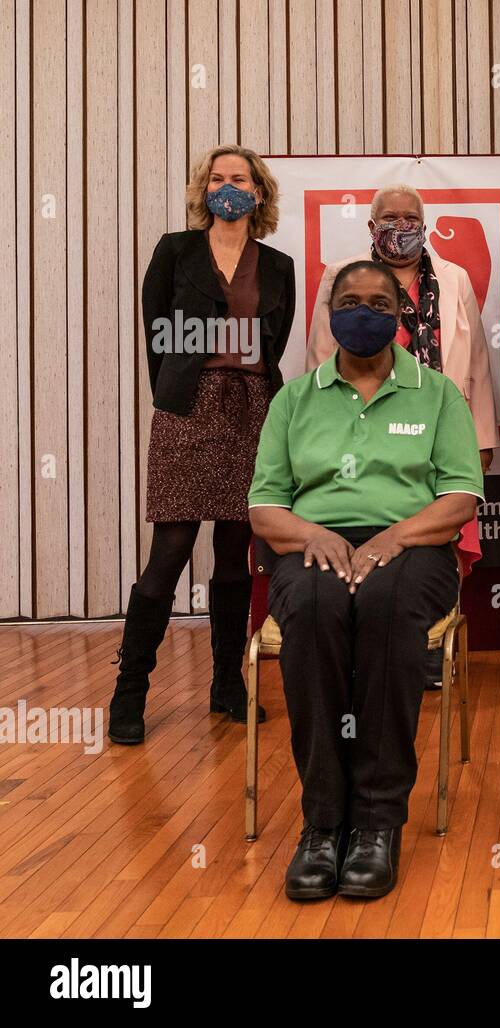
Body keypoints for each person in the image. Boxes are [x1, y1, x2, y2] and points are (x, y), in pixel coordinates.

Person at [248, 261, 484, 900]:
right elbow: (266, 508)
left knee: (385, 606)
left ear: (400, 313)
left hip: (412, 547)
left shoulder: (437, 393)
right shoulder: (294, 399)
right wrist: (314, 536)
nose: (363, 311)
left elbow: (460, 497)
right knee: (318, 608)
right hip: (312, 546)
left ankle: (377, 823)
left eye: (379, 302)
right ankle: (323, 824)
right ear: (328, 312)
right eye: (349, 300)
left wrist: (393, 538)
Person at [108, 144, 296, 746]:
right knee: (170, 550)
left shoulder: (279, 264)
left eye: (238, 179)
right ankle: (128, 694)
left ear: (258, 192)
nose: (226, 187)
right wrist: (176, 395)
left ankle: (226, 685)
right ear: (204, 190)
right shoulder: (174, 250)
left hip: (252, 409)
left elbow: (274, 344)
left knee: (237, 548)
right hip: (188, 409)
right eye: (217, 179)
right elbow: (156, 334)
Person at [304, 183, 497, 685]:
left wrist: (480, 437)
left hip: (439, 429)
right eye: (388, 218)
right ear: (371, 227)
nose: (400, 226)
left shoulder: (453, 279)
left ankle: (429, 648)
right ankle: (369, 647)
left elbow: (475, 358)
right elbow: (321, 356)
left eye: (410, 218)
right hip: (364, 430)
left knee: (440, 536)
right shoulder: (342, 277)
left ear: (425, 224)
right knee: (373, 531)